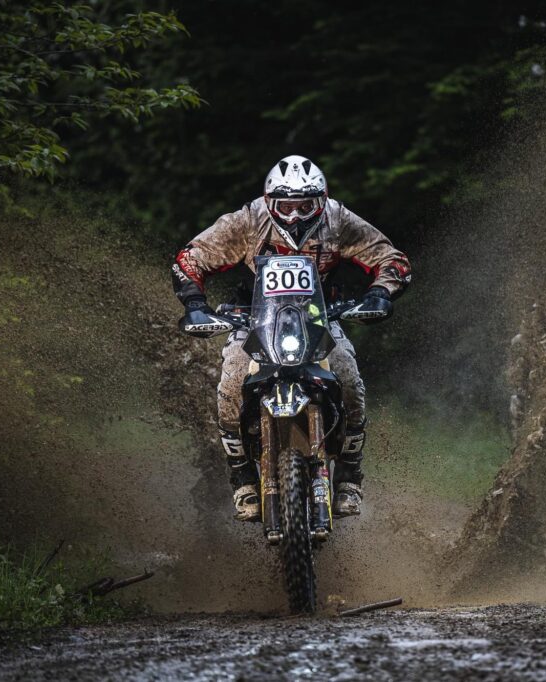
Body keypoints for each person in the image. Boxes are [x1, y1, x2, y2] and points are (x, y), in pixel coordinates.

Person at [171, 155, 411, 521]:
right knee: (233, 380)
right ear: (270, 202)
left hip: (318, 317)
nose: (296, 215)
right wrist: (195, 303)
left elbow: (391, 258)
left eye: (305, 206)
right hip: (254, 318)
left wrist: (379, 292)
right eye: (287, 206)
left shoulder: (339, 219)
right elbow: (191, 258)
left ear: (322, 200)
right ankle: (242, 476)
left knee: (349, 378)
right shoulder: (248, 220)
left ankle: (349, 473)